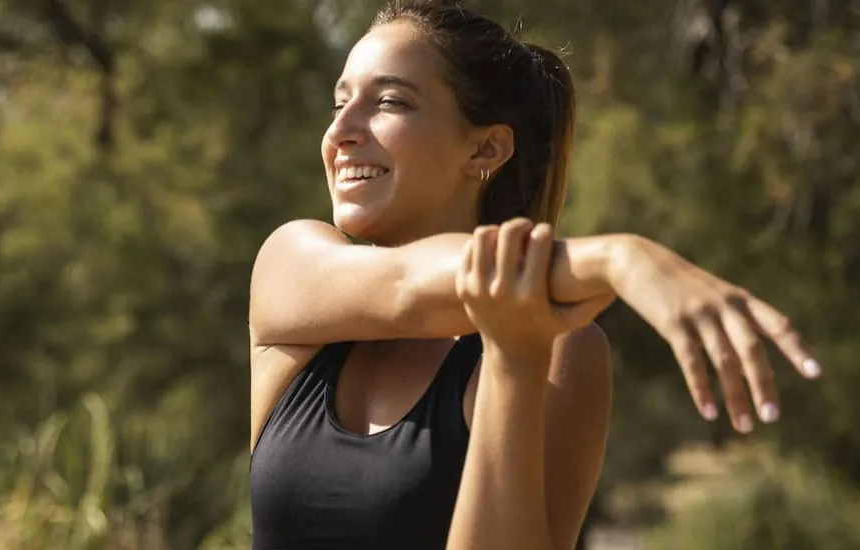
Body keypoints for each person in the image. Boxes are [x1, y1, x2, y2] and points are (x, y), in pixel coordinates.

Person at [246, 1, 822, 549]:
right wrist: (621, 259)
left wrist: (513, 363)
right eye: (339, 102)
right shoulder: (292, 265)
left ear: (486, 149)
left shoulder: (562, 348)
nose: (342, 130)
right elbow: (405, 287)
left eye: (389, 102)